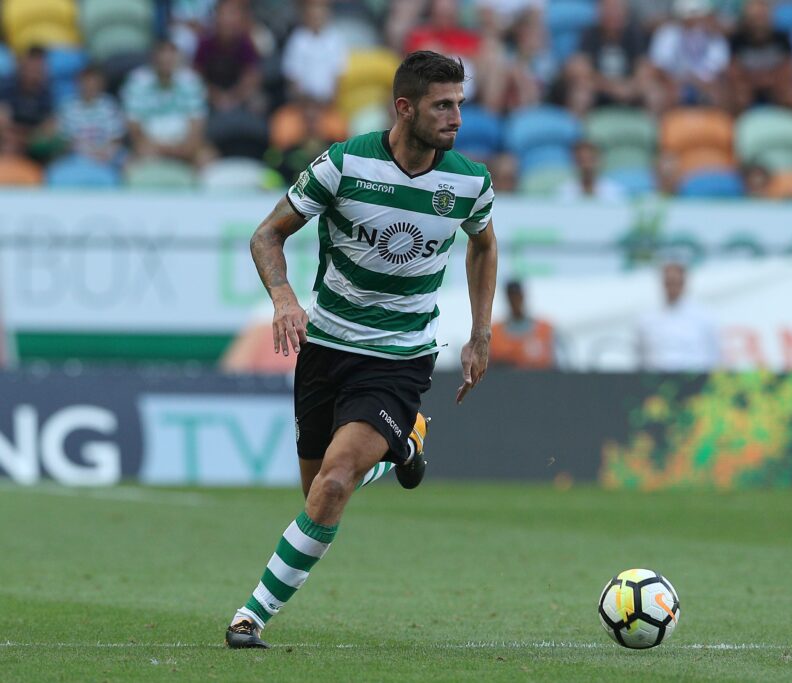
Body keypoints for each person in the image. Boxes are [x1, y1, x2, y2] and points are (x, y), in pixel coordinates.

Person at [225, 51, 498, 649]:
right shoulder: (345, 166)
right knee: (318, 494)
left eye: (459, 104)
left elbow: (483, 244)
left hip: (399, 358)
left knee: (335, 483)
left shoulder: (469, 182)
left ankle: (251, 617)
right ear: (405, 108)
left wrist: (480, 332)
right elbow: (267, 234)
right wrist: (284, 299)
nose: (455, 117)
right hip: (325, 348)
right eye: (442, 105)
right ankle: (406, 442)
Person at [121, 40, 213, 167]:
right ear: (153, 59)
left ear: (177, 59)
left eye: (170, 60)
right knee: (130, 164)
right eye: (162, 61)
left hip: (184, 143)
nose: (166, 64)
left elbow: (197, 123)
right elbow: (134, 126)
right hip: (150, 144)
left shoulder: (191, 81)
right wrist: (158, 147)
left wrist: (185, 146)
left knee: (206, 157)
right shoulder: (137, 81)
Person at [647, 0, 730, 112]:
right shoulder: (667, 33)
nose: (694, 20)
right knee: (659, 92)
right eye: (691, 15)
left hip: (704, 87)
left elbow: (718, 69)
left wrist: (698, 83)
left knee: (721, 92)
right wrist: (676, 83)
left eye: (698, 15)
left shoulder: (714, 36)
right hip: (674, 86)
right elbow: (659, 68)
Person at [636, 262, 720, 372]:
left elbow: (713, 355)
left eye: (676, 282)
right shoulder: (646, 318)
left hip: (694, 381)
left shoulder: (704, 317)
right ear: (663, 283)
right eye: (669, 282)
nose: (672, 287)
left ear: (684, 283)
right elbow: (641, 357)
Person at [726, 0, 792, 113]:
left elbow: (789, 67)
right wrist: (756, 81)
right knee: (738, 97)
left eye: (762, 16)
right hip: (748, 87)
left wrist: (769, 80)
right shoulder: (736, 40)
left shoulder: (782, 39)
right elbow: (734, 71)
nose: (759, 22)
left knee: (790, 96)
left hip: (776, 85)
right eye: (756, 17)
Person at [57, 65, 126, 169]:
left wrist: (104, 152)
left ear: (101, 85)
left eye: (93, 83)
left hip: (106, 153)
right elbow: (67, 141)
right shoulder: (68, 106)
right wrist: (87, 153)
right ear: (78, 84)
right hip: (77, 154)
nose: (89, 86)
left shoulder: (110, 105)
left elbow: (116, 138)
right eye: (86, 82)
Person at [281, 0, 348, 103]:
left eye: (320, 12)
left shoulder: (335, 39)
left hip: (328, 102)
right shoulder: (297, 39)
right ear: (305, 14)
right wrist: (305, 103)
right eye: (313, 13)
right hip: (303, 103)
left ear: (327, 14)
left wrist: (330, 101)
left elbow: (338, 76)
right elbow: (292, 77)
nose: (317, 17)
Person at [490, 280, 558, 369]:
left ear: (523, 296)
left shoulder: (544, 329)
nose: (515, 301)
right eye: (512, 297)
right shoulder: (494, 332)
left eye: (517, 296)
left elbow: (555, 363)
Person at [557, 140, 627, 201]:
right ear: (574, 163)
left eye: (590, 160)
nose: (586, 166)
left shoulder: (615, 191)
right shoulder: (563, 191)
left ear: (599, 161)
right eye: (581, 161)